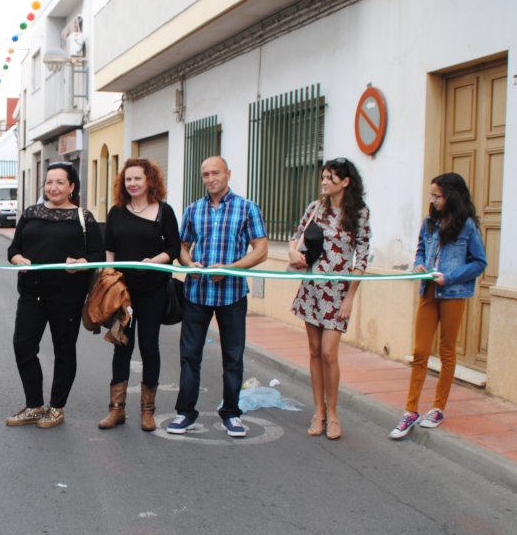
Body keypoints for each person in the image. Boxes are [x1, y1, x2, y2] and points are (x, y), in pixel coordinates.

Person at [170, 156, 268, 437]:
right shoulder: (193, 209)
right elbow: (182, 246)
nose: (210, 178)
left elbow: (260, 249)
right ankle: (185, 413)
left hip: (232, 294)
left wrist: (231, 269)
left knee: (233, 357)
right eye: (205, 174)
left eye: (216, 173)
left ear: (228, 173)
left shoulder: (247, 208)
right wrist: (189, 265)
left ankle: (231, 414)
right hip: (197, 292)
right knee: (190, 356)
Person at [4, 163, 103, 429]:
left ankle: (57, 407)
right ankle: (34, 405)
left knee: (64, 351)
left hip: (67, 297)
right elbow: (13, 248)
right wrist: (18, 258)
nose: (53, 187)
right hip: (31, 294)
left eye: (60, 182)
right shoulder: (31, 213)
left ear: (71, 187)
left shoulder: (84, 217)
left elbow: (98, 256)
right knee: (23, 347)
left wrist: (81, 262)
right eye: (49, 182)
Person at [390, 172, 486, 439]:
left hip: (453, 293)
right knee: (420, 351)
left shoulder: (467, 226)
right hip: (429, 291)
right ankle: (410, 411)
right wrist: (419, 263)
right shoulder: (429, 222)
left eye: (436, 195)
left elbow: (480, 263)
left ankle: (438, 407)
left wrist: (450, 277)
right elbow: (420, 248)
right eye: (431, 194)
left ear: (451, 196)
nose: (431, 199)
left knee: (446, 351)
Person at [287, 157, 372, 441]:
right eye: (323, 177)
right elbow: (296, 237)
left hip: (337, 293)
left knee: (329, 353)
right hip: (312, 287)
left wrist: (350, 298)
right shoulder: (315, 208)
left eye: (330, 178)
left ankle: (333, 413)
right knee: (313, 351)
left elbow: (362, 257)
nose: (324, 182)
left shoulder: (359, 213)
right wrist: (293, 255)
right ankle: (318, 412)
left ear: (345, 182)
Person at [98, 158, 180, 431]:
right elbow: (109, 249)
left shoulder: (164, 212)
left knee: (149, 347)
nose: (132, 183)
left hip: (153, 290)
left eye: (138, 179)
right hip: (123, 293)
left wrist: (152, 261)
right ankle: (116, 409)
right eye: (128, 179)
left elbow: (173, 248)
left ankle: (147, 411)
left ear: (150, 181)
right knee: (122, 345)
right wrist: (109, 277)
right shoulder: (116, 212)